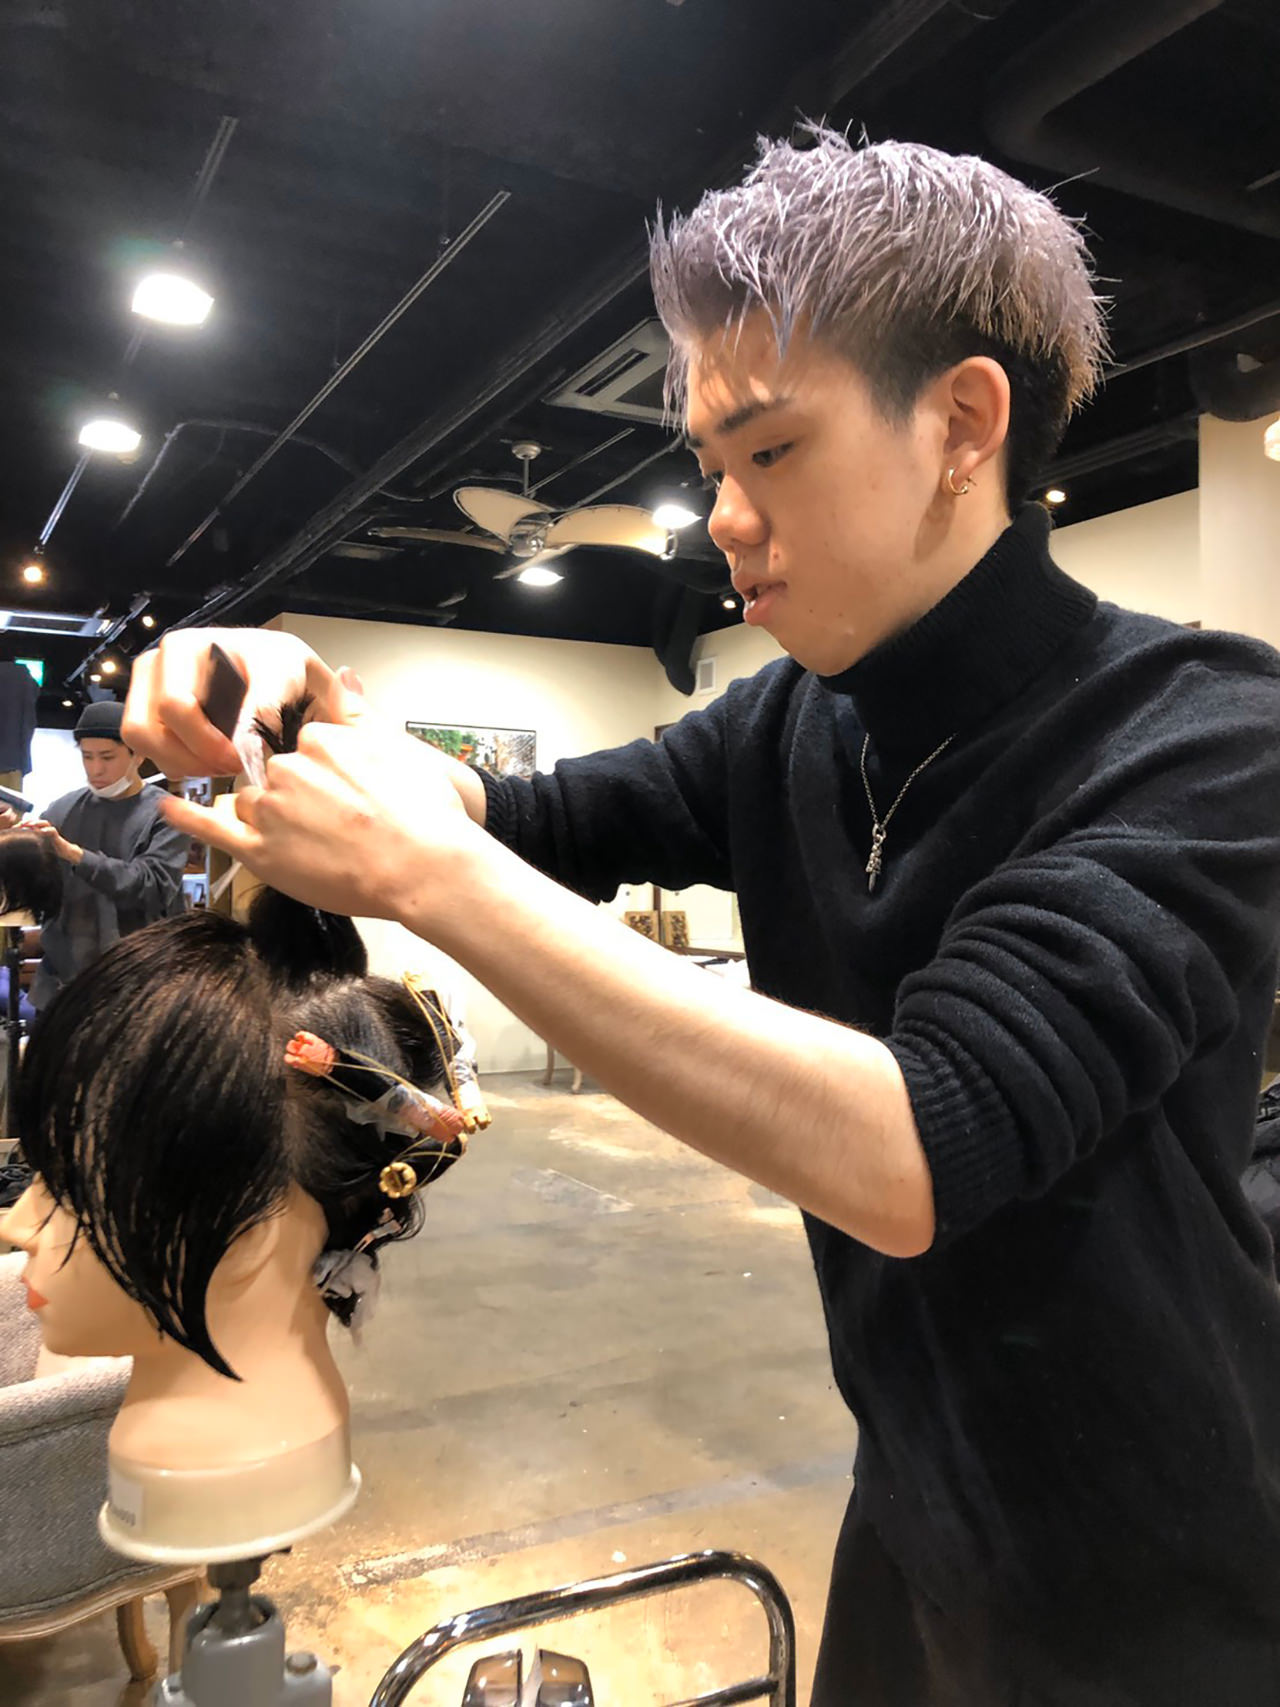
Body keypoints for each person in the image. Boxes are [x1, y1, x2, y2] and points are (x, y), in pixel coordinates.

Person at [125, 131, 1280, 1705]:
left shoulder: (1201, 730)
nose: (724, 516)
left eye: (771, 451)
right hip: (914, 1499)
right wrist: (302, 700)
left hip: (1165, 1565)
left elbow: (915, 1148)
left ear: (963, 423)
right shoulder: (788, 721)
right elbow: (525, 815)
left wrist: (427, 875)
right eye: (713, 467)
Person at [13, 700, 191, 1013]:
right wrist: (14, 839)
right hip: (63, 984)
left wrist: (75, 855)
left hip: (139, 987)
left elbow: (152, 886)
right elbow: (35, 890)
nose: (96, 769)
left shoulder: (167, 814)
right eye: (87, 756)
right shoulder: (61, 810)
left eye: (107, 757)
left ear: (138, 754)